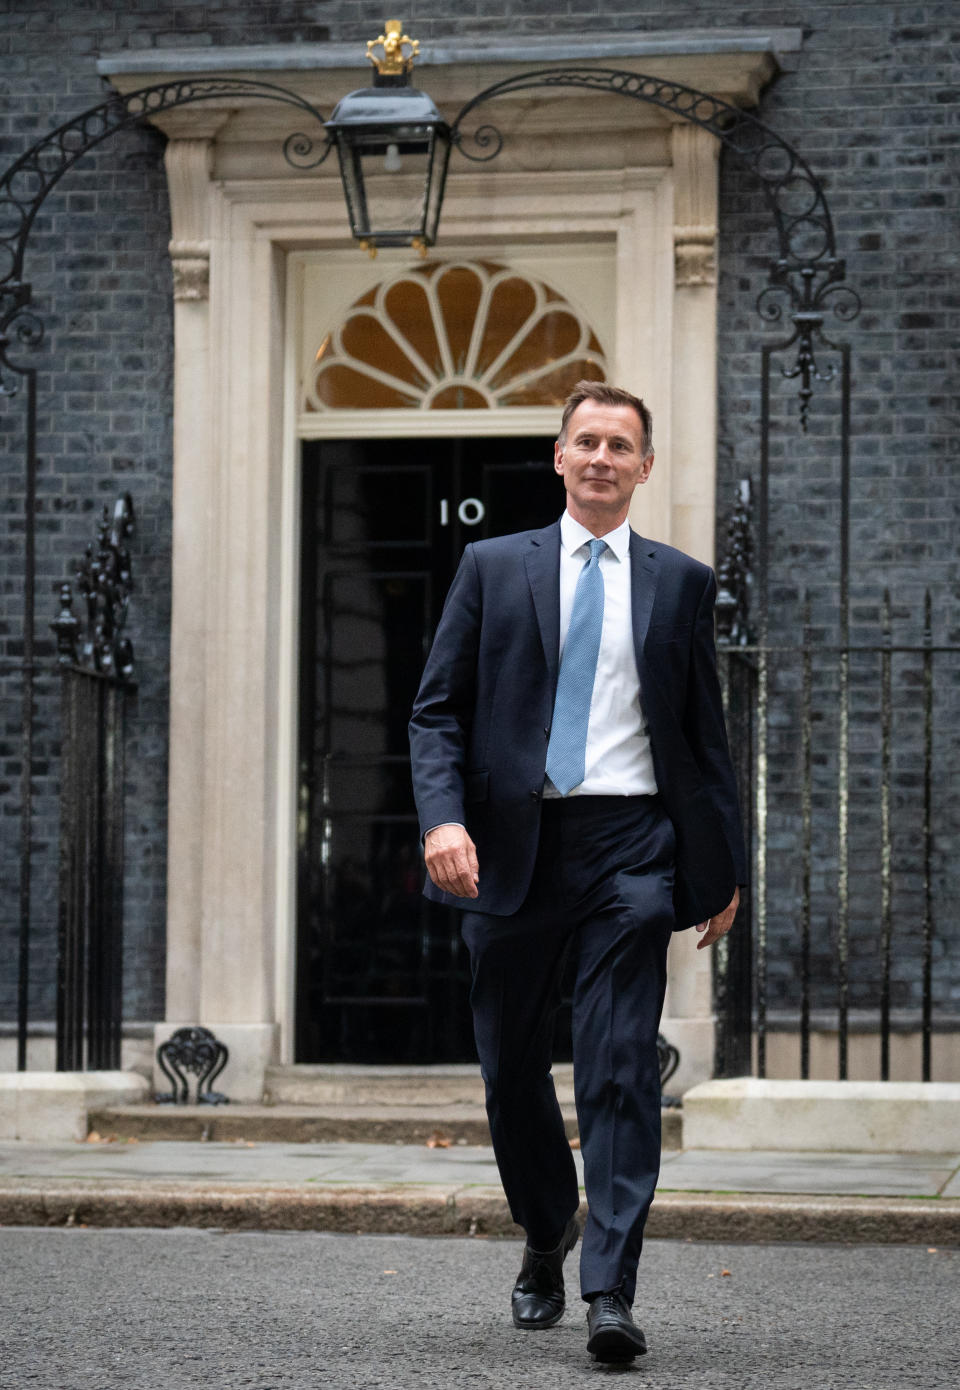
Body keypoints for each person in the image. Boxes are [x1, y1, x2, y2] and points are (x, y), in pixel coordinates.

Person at [408, 381, 745, 1364]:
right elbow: (438, 711)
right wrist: (443, 820)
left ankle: (610, 1288)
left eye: (620, 444)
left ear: (644, 466)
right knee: (514, 1073)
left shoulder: (680, 583)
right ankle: (548, 1227)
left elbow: (703, 739)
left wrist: (719, 872)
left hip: (632, 851)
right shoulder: (490, 566)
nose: (601, 456)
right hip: (513, 852)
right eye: (585, 440)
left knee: (618, 1066)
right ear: (559, 457)